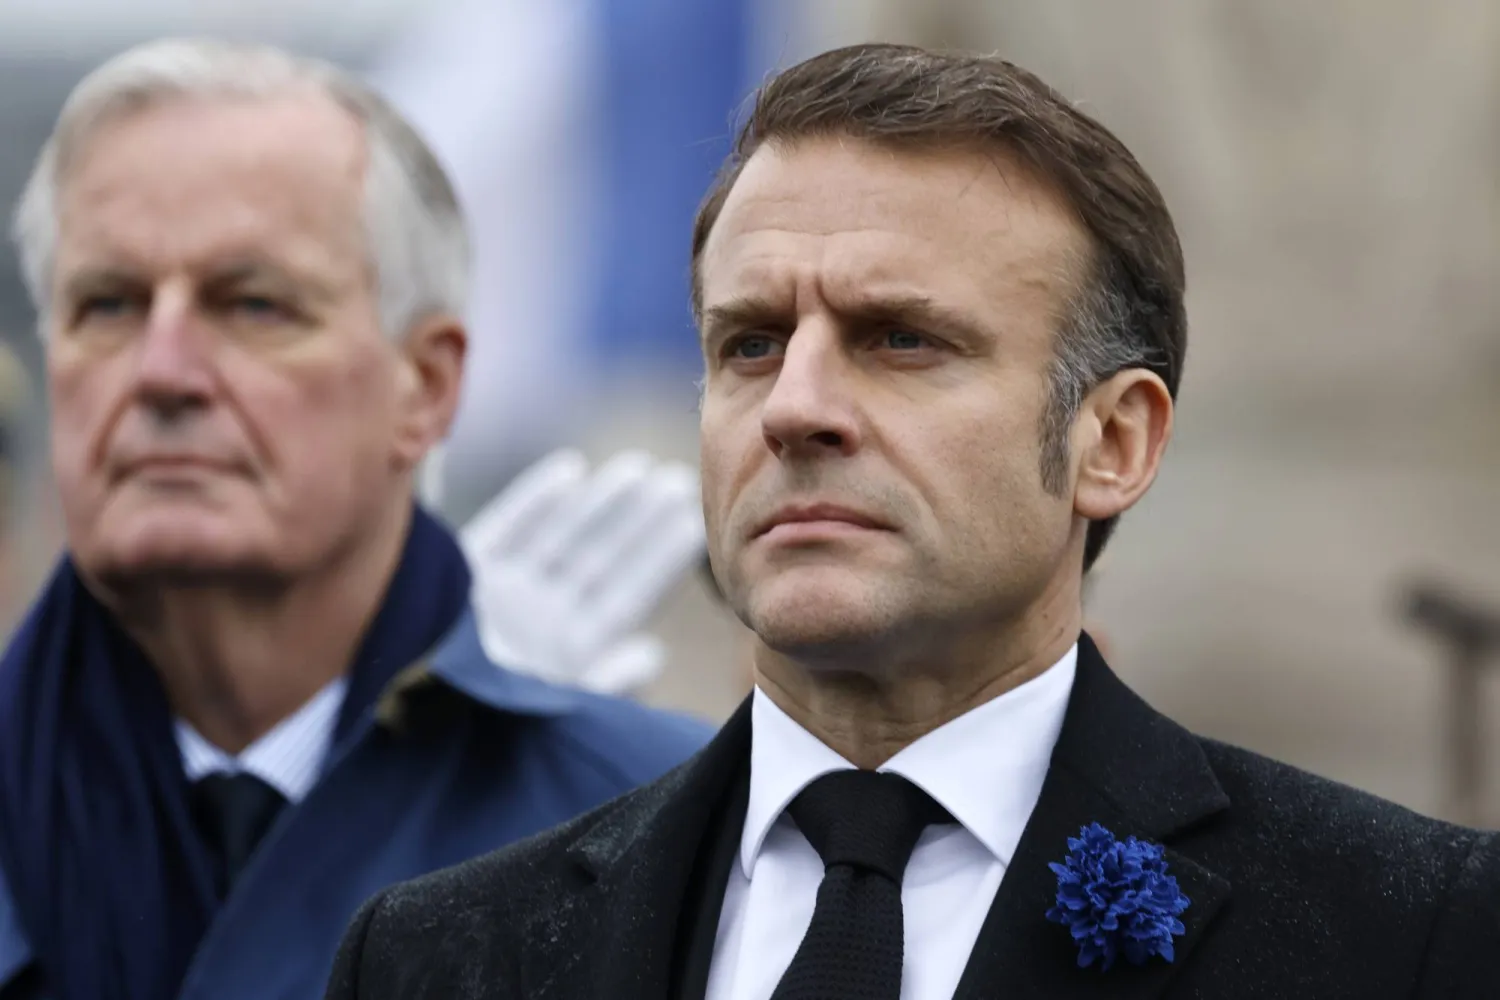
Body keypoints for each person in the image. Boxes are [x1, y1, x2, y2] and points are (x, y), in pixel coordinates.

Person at [324, 42, 1500, 1000]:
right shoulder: (437, 957)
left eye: (902, 339)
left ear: (1116, 442)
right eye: (750, 344)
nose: (795, 408)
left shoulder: (1408, 932)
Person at [0, 38, 712, 1000]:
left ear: (424, 385)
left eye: (252, 304)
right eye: (108, 304)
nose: (161, 371)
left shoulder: (674, 827)